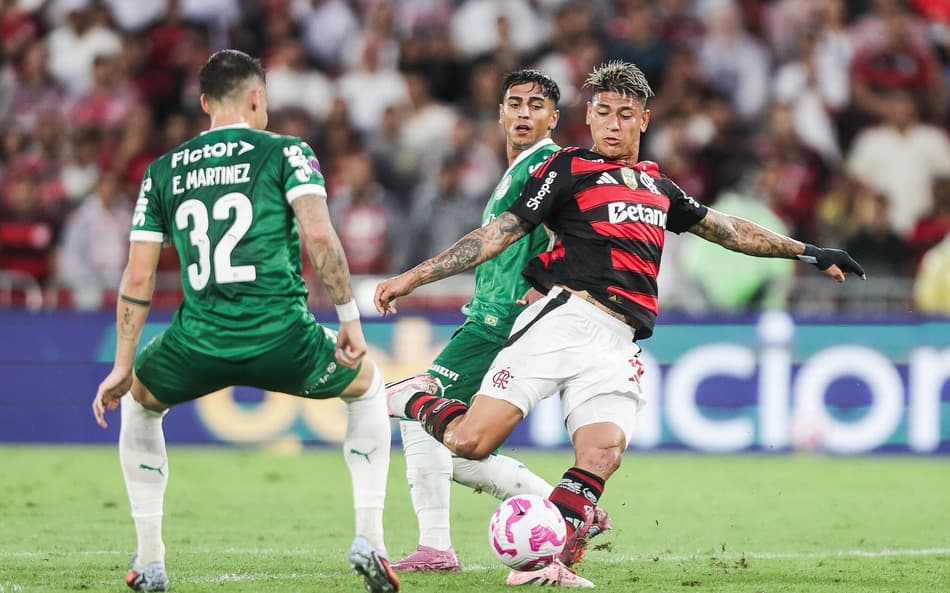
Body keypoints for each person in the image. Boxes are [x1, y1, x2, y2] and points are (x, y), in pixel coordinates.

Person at [375, 60, 866, 587]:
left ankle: (549, 562)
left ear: (644, 121)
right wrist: (414, 277)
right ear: (588, 116)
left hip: (618, 340)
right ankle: (413, 398)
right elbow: (499, 234)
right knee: (470, 442)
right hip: (564, 319)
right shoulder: (566, 169)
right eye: (604, 112)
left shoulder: (658, 185)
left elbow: (727, 229)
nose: (612, 124)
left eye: (625, 115)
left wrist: (809, 252)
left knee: (603, 454)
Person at [91, 50, 399, 593]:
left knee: (139, 402)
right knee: (368, 387)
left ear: (205, 102)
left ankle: (150, 561)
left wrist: (121, 364)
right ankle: (370, 540)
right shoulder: (286, 151)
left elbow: (138, 276)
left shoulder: (163, 171)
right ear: (257, 98)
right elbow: (320, 236)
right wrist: (348, 317)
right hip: (283, 336)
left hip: (197, 342)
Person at [386, 70, 604, 586]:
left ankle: (437, 547)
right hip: (489, 317)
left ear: (554, 117)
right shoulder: (518, 170)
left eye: (536, 105)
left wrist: (547, 282)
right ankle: (571, 513)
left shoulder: (548, 167)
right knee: (456, 446)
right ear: (501, 113)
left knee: (416, 407)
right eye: (515, 103)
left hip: (499, 323)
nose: (524, 113)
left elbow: (577, 231)